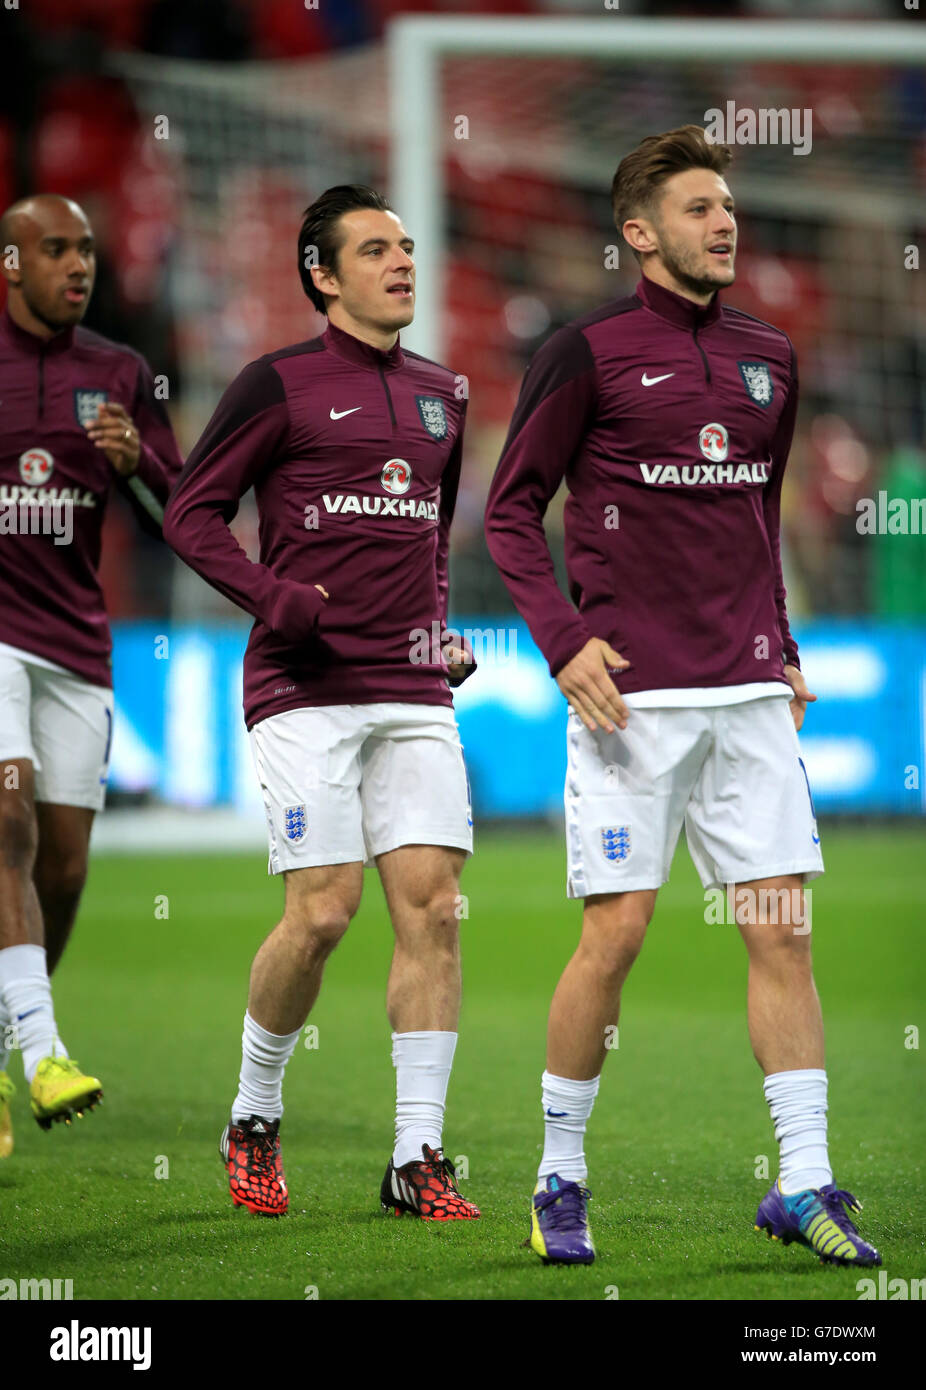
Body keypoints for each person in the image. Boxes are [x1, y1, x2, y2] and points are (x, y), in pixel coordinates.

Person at [484, 127, 880, 1268]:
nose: (724, 224)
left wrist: (784, 641)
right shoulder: (585, 352)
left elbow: (755, 514)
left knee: (782, 930)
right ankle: (560, 1172)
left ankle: (802, 1180)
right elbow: (511, 510)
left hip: (749, 691)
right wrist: (563, 643)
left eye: (728, 206)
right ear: (639, 232)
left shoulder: (770, 354)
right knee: (615, 934)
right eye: (699, 208)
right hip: (631, 700)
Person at [163, 185, 479, 1221]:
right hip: (301, 688)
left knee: (432, 909)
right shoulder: (277, 384)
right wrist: (273, 595)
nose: (401, 263)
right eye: (375, 249)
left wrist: (435, 632)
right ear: (322, 274)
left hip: (410, 687)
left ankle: (416, 1155)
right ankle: (253, 1114)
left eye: (406, 247)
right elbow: (190, 512)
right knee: (323, 912)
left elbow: (428, 538)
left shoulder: (445, 394)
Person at [0, 194, 183, 1153]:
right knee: (7, 815)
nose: (79, 265)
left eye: (86, 249)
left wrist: (136, 462)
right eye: (56, 249)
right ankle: (40, 1051)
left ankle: (6, 1032)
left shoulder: (120, 372)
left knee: (64, 866)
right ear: (10, 264)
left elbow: (180, 510)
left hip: (76, 642)